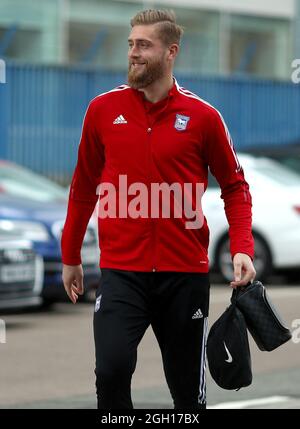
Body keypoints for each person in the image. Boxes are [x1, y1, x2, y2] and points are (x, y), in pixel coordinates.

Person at [61, 9, 256, 410]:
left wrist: (242, 247)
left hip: (184, 275)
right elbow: (82, 187)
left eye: (144, 45)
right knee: (111, 369)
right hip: (121, 273)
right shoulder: (102, 110)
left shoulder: (204, 117)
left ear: (171, 52)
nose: (134, 53)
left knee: (186, 392)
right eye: (131, 44)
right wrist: (71, 255)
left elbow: (235, 187)